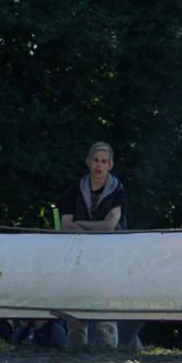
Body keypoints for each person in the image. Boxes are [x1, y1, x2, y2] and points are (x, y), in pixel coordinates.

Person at [58, 141, 127, 350]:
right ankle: (76, 349)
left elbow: (109, 226)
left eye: (104, 161)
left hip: (109, 255)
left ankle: (107, 351)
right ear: (88, 162)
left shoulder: (118, 192)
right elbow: (64, 225)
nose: (99, 165)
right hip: (78, 255)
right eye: (96, 160)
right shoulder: (74, 189)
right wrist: (94, 226)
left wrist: (80, 224)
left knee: (106, 303)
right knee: (76, 301)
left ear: (110, 164)